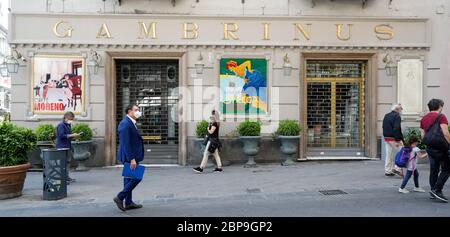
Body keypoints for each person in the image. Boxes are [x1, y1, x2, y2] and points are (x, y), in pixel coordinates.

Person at [113, 104, 144, 211]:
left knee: (128, 178)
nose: (138, 112)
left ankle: (129, 202)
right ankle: (120, 197)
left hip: (131, 155)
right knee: (137, 177)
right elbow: (125, 143)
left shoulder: (131, 122)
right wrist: (132, 159)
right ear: (129, 111)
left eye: (138, 110)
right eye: (136, 110)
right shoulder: (125, 124)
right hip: (129, 156)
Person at [420, 99, 450, 202]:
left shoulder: (423, 118)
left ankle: (433, 190)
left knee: (434, 169)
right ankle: (437, 190)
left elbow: (422, 135)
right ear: (440, 106)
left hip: (430, 147)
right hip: (441, 147)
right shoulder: (441, 116)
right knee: (446, 169)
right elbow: (445, 132)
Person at [55, 111, 81, 184]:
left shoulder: (67, 125)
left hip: (67, 146)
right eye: (71, 119)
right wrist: (72, 135)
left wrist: (74, 137)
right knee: (62, 163)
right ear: (66, 117)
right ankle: (62, 179)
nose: (72, 120)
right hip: (62, 146)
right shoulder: (61, 125)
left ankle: (66, 177)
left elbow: (68, 136)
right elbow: (61, 136)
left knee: (67, 163)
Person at [382, 103, 404, 177]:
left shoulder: (386, 115)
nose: (401, 110)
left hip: (386, 137)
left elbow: (383, 126)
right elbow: (397, 128)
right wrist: (399, 139)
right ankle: (397, 168)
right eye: (401, 109)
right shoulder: (397, 116)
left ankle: (388, 170)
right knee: (402, 151)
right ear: (397, 109)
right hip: (393, 138)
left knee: (389, 154)